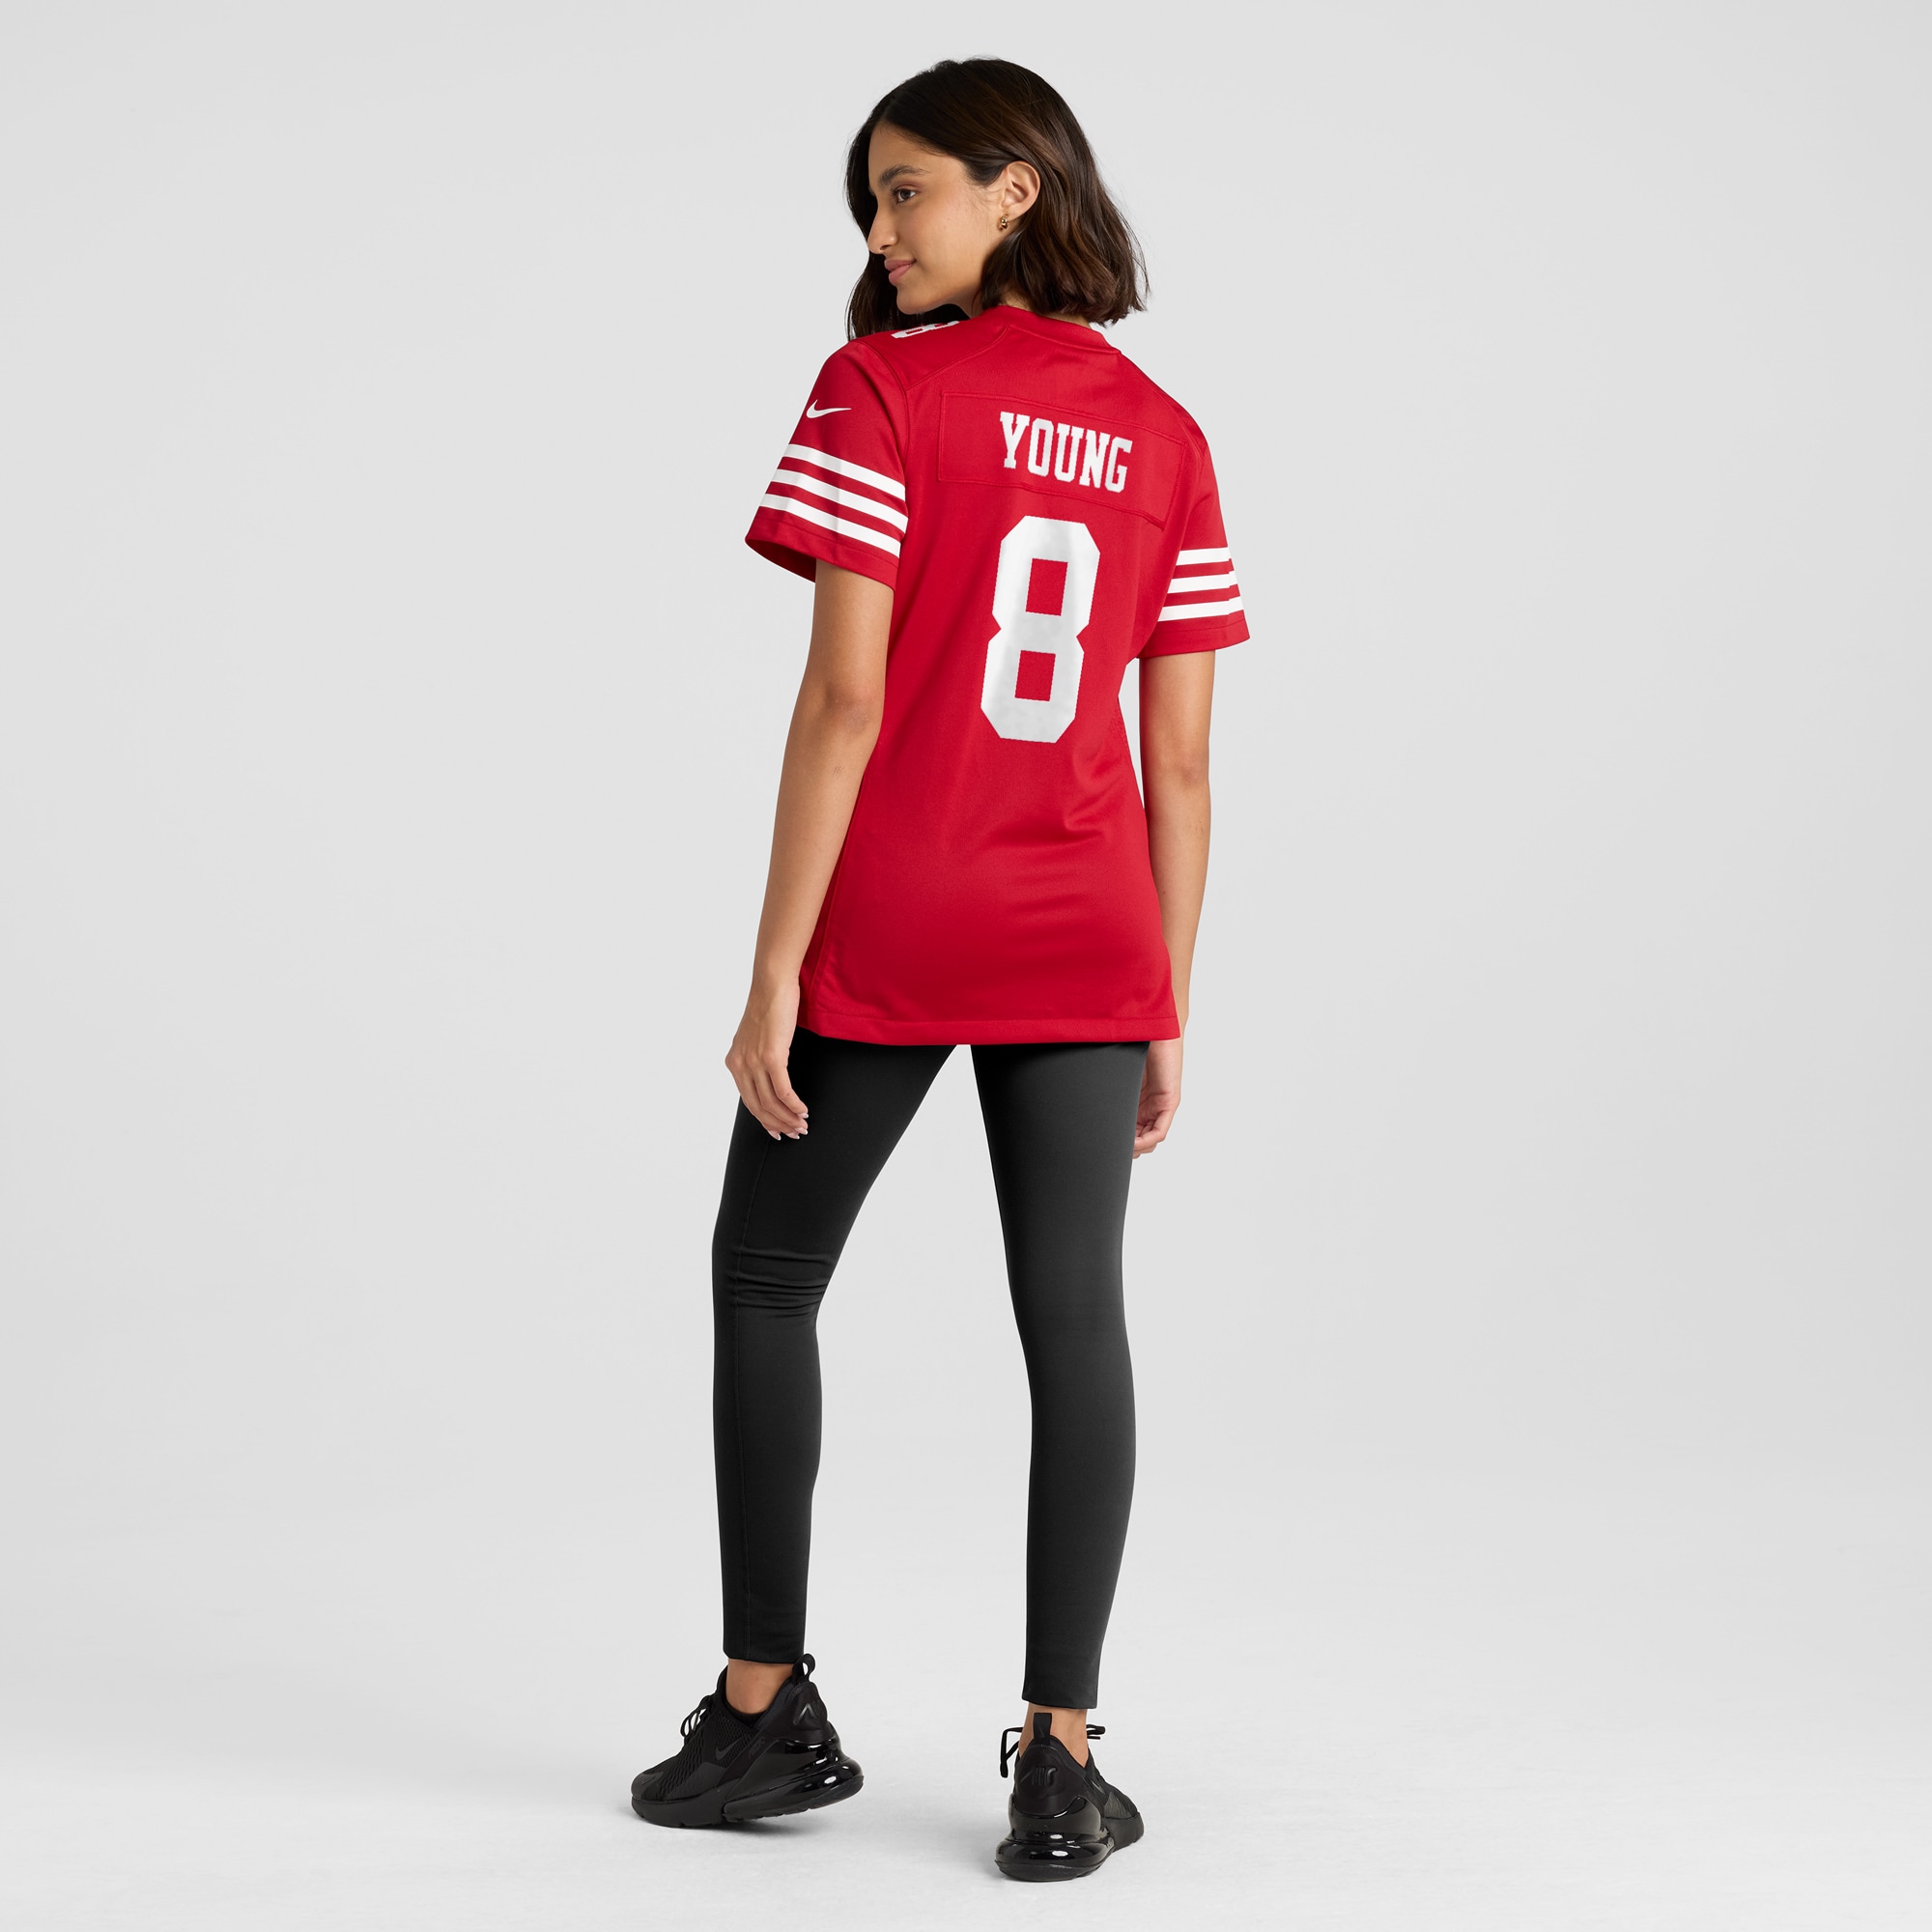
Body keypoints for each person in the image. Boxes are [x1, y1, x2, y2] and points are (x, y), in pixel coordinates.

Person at [629, 58, 1246, 1882]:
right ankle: (1061, 1760)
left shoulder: (881, 390)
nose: (882, 231)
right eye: (874, 201)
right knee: (1077, 1326)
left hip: (901, 912)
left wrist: (772, 970)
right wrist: (1166, 997)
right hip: (1089, 931)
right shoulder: (1166, 435)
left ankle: (763, 1716)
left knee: (767, 1277)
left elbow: (844, 699)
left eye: (907, 191)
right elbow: (1183, 764)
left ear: (1014, 187)